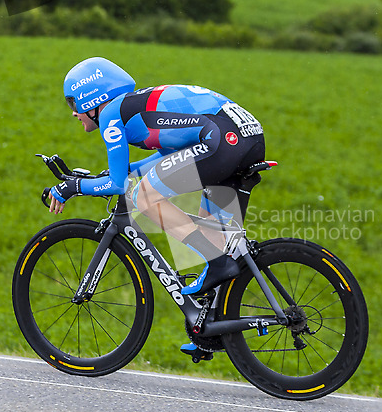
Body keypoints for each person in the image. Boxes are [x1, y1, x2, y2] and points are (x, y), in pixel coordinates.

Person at [49, 57, 265, 305]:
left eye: (73, 102)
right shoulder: (135, 106)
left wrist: (72, 187)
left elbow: (118, 185)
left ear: (92, 98)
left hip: (222, 141)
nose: (74, 112)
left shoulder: (111, 113)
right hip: (245, 139)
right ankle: (215, 330)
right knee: (213, 236)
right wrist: (111, 176)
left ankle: (217, 262)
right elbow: (166, 159)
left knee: (144, 196)